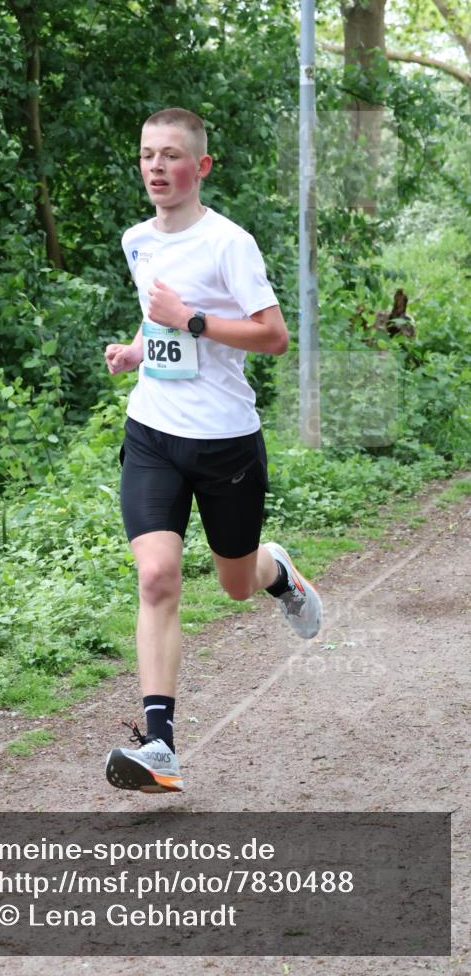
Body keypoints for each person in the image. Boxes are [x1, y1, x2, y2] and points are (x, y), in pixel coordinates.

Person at [103, 108, 322, 794]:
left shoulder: (230, 243)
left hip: (224, 442)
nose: (156, 166)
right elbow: (156, 315)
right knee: (156, 576)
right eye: (147, 154)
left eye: (171, 155)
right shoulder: (137, 240)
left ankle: (276, 573)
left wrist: (191, 320)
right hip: (152, 432)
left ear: (199, 167)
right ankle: (159, 745)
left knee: (234, 583)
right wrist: (138, 349)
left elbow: (273, 336)